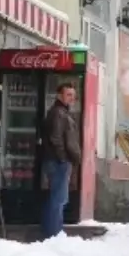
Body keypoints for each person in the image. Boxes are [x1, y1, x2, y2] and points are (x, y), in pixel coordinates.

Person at [41, 82, 80, 239]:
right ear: (59, 95)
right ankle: (54, 235)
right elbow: (55, 138)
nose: (72, 98)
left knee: (56, 198)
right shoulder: (58, 113)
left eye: (73, 95)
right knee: (59, 199)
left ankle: (52, 232)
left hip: (57, 160)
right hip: (58, 162)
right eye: (68, 94)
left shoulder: (61, 112)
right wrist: (63, 158)